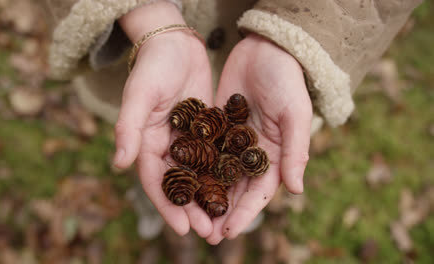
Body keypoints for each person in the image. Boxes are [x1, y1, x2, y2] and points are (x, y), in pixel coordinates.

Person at [43, 0, 422, 245]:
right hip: (133, 48)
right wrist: (147, 18)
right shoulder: (189, 136)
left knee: (242, 195)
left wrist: (293, 38)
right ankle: (164, 227)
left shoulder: (231, 145)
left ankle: (234, 236)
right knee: (151, 155)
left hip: (274, 59)